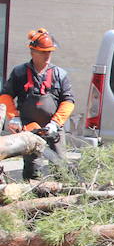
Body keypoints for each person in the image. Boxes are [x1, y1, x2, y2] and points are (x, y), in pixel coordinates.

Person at [1, 28, 75, 179]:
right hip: (29, 128)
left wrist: (55, 123)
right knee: (33, 167)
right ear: (32, 52)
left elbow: (68, 101)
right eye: (43, 52)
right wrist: (14, 117)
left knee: (60, 165)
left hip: (53, 128)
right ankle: (33, 191)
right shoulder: (19, 73)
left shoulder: (59, 74)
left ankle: (63, 191)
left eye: (49, 52)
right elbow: (5, 96)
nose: (47, 55)